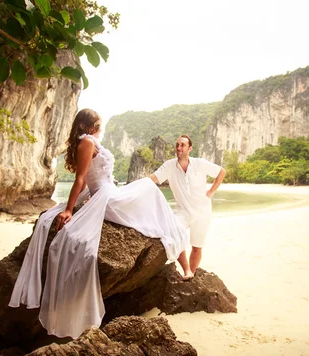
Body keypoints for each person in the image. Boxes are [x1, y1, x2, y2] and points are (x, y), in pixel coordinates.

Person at [9, 109, 188, 339]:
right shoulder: (86, 143)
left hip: (109, 192)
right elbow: (82, 179)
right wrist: (68, 209)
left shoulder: (90, 142)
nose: (99, 128)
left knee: (148, 189)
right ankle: (174, 237)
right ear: (86, 126)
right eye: (96, 124)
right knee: (149, 189)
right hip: (107, 198)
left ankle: (173, 234)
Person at [150, 135, 226, 280]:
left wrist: (211, 192)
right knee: (174, 234)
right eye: (177, 145)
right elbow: (153, 178)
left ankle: (192, 272)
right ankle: (187, 271)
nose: (178, 148)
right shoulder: (169, 165)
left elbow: (221, 172)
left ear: (190, 148)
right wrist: (136, 187)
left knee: (197, 246)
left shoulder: (200, 163)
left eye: (182, 145)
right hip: (182, 211)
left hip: (202, 211)